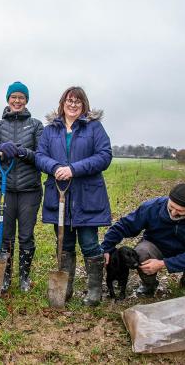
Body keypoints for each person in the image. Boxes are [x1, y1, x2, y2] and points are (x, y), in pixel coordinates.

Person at [35, 86, 112, 306]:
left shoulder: (94, 127)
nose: (73, 105)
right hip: (59, 195)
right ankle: (65, 288)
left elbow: (105, 156)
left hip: (86, 196)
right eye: (69, 100)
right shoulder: (51, 130)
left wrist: (74, 169)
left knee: (89, 243)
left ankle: (94, 290)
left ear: (84, 105)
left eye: (78, 101)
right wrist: (55, 166)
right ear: (62, 103)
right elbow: (40, 156)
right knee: (64, 243)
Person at [101, 183, 185, 296]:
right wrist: (107, 246)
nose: (174, 213)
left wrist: (164, 264)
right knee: (141, 251)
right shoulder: (152, 207)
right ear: (168, 199)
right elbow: (124, 225)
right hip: (156, 247)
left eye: (180, 211)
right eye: (171, 207)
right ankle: (149, 284)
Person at [0, 81, 43, 293]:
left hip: (30, 190)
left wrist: (23, 153)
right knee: (5, 235)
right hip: (4, 190)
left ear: (26, 100)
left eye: (21, 97)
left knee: (26, 235)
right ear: (8, 99)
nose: (17, 100)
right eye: (14, 97)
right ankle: (5, 277)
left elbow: (42, 157)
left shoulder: (36, 125)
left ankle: (25, 277)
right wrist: (0, 148)